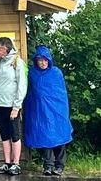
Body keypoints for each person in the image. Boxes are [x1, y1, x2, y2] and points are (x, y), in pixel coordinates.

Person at [24, 45, 73, 176]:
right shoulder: (32, 73)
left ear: (49, 60)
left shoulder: (56, 73)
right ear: (36, 61)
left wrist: (61, 109)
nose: (43, 63)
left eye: (45, 60)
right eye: (40, 60)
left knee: (59, 135)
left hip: (57, 111)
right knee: (45, 136)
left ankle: (60, 165)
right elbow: (30, 92)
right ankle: (48, 165)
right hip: (40, 111)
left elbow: (61, 93)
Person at [0, 37, 27, 175]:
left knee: (15, 133)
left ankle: (16, 163)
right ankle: (7, 162)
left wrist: (16, 107)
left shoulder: (17, 62)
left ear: (4, 48)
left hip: (11, 105)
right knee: (4, 133)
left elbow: (22, 86)